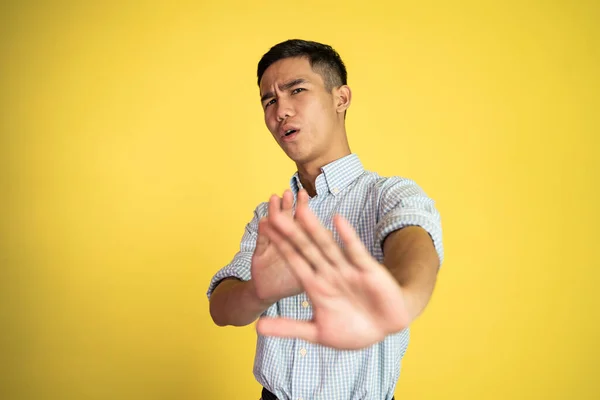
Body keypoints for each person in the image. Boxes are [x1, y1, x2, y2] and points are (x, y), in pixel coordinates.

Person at [207, 39, 444, 400]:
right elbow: (221, 308)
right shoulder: (270, 216)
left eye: (296, 90)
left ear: (341, 98)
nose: (280, 111)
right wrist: (258, 290)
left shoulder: (388, 194)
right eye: (269, 101)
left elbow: (413, 239)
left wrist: (402, 301)